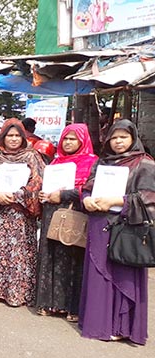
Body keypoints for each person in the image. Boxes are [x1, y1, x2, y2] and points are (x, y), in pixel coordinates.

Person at [80, 119, 151, 345]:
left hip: (126, 228)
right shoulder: (103, 162)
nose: (118, 142)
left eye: (123, 137)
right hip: (99, 225)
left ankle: (122, 327)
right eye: (114, 137)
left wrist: (118, 200)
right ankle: (98, 324)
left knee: (122, 275)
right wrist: (86, 199)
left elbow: (149, 198)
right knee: (99, 274)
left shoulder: (144, 163)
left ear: (133, 138)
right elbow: (87, 187)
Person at [0, 118, 45, 307]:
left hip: (20, 213)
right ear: (3, 137)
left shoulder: (31, 156)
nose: (13, 139)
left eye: (17, 136)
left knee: (18, 253)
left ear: (23, 137)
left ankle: (17, 294)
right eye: (9, 135)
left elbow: (37, 181)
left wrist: (16, 196)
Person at [35, 123, 97, 321]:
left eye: (73, 139)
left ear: (82, 140)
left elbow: (90, 189)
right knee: (50, 256)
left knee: (73, 259)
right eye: (65, 139)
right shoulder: (55, 162)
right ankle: (49, 303)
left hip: (74, 213)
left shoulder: (92, 162)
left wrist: (63, 195)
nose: (68, 143)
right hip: (51, 214)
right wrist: (44, 194)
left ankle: (72, 307)